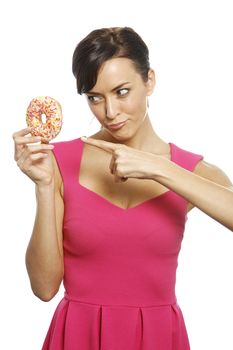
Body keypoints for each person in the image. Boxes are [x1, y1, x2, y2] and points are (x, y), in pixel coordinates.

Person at [13, 27, 233, 350]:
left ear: (150, 81)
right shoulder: (60, 162)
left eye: (122, 91)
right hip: (77, 336)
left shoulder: (188, 170)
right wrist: (44, 186)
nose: (110, 113)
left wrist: (157, 167)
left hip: (158, 338)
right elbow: (44, 288)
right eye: (95, 98)